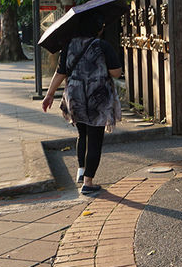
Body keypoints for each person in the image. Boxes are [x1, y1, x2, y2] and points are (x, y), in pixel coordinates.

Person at [41, 11, 123, 194]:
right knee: (95, 138)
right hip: (97, 98)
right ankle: (88, 183)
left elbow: (60, 72)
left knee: (83, 134)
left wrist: (49, 95)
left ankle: (81, 170)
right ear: (97, 28)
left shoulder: (69, 45)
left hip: (75, 97)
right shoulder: (102, 46)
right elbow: (116, 72)